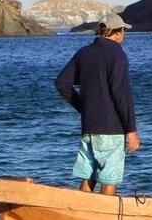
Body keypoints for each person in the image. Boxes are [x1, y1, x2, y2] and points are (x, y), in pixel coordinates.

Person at [54, 13, 141, 195]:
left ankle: (80, 216)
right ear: (117, 32)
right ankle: (104, 219)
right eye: (123, 30)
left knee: (89, 175)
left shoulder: (84, 53)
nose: (124, 34)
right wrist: (131, 129)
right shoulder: (118, 55)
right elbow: (121, 94)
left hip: (89, 127)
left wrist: (83, 107)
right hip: (112, 128)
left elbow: (62, 83)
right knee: (109, 177)